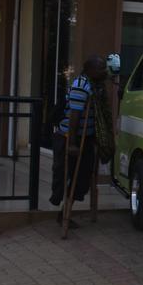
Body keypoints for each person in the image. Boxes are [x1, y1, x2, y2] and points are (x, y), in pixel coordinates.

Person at [50, 55, 109, 214]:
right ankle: (60, 205)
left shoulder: (97, 86)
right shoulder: (80, 85)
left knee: (82, 178)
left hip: (87, 138)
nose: (105, 71)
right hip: (69, 137)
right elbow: (74, 116)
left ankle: (66, 212)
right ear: (90, 70)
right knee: (63, 175)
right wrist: (72, 144)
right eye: (101, 68)